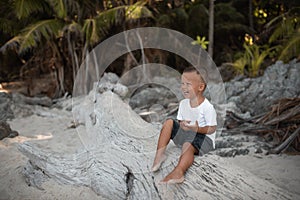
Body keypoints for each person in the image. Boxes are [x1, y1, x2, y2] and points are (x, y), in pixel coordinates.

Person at [151, 66, 217, 184]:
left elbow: (212, 129)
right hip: (188, 133)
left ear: (201, 87)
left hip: (204, 140)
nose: (184, 87)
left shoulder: (207, 107)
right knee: (169, 122)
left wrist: (197, 128)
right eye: (182, 83)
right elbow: (181, 122)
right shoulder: (183, 104)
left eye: (188, 84)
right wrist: (183, 126)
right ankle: (159, 155)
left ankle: (179, 172)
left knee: (188, 143)